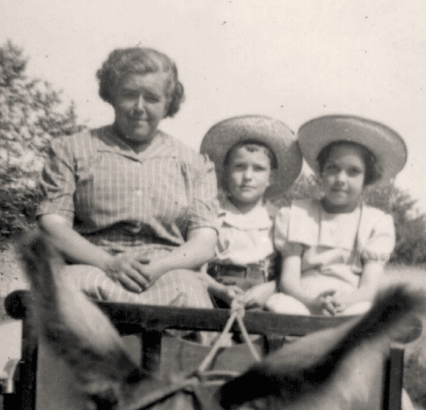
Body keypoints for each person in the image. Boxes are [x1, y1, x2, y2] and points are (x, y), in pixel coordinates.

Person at [35, 47, 218, 307]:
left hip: (167, 273)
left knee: (190, 296)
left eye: (152, 98)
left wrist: (159, 266)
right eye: (129, 95)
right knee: (70, 290)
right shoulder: (71, 150)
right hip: (90, 266)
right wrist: (108, 263)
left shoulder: (194, 164)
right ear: (111, 95)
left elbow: (204, 243)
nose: (139, 108)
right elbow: (52, 226)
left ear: (168, 103)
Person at [265, 115, 407, 316]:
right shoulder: (297, 215)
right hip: (302, 301)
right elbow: (289, 281)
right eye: (332, 168)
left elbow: (368, 289)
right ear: (321, 172)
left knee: (364, 314)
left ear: (367, 178)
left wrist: (341, 301)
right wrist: (313, 303)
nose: (340, 179)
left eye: (353, 172)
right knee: (281, 307)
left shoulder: (376, 222)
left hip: (351, 301)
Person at [199, 115, 302, 309]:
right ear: (226, 171)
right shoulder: (211, 214)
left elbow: (288, 273)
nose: (248, 176)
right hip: (214, 297)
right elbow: (198, 271)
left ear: (271, 176)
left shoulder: (279, 219)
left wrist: (270, 289)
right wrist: (221, 291)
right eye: (240, 167)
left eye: (258, 169)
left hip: (261, 298)